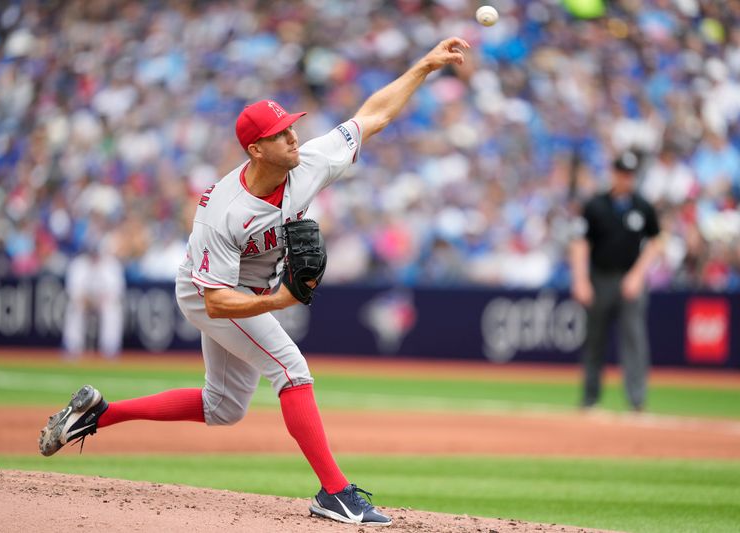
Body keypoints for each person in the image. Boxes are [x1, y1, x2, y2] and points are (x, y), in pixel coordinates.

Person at [39, 37, 471, 526]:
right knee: (291, 368)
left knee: (223, 408)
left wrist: (426, 65)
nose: (293, 138)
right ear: (255, 149)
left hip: (245, 291)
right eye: (281, 133)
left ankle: (99, 413)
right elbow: (218, 302)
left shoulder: (309, 164)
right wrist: (282, 298)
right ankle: (335, 492)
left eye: (291, 128)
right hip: (208, 293)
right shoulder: (222, 212)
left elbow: (374, 116)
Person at [569, 151, 662, 412]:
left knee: (634, 340)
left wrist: (637, 275)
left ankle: (637, 400)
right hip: (600, 278)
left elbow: (656, 242)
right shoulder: (595, 205)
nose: (627, 179)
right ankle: (590, 398)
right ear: (614, 174)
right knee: (594, 339)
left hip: (631, 281)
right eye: (622, 173)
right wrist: (581, 280)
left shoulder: (643, 206)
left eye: (631, 174)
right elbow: (580, 242)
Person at [62, 243, 125, 359]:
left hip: (104, 302)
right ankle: (73, 346)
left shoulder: (111, 264)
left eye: (96, 254)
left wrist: (101, 301)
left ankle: (110, 348)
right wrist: (85, 301)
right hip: (84, 302)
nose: (94, 257)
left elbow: (116, 292)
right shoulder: (78, 264)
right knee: (74, 308)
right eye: (92, 254)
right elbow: (73, 292)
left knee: (113, 309)